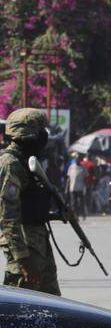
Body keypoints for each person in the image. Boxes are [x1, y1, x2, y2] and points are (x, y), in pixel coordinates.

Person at [0, 108, 60, 295]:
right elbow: (7, 216)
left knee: (51, 303)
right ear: (25, 134)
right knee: (22, 308)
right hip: (25, 248)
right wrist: (22, 259)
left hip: (38, 243)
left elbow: (29, 204)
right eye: (39, 130)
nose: (43, 136)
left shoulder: (28, 161)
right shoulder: (11, 164)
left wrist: (55, 214)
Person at [66, 152, 86, 219]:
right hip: (72, 188)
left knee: (80, 202)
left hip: (81, 188)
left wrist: (86, 187)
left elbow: (86, 177)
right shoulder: (71, 167)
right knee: (73, 203)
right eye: (77, 158)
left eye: (79, 159)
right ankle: (75, 216)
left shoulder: (83, 167)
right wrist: (66, 188)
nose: (78, 160)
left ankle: (83, 214)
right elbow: (68, 179)